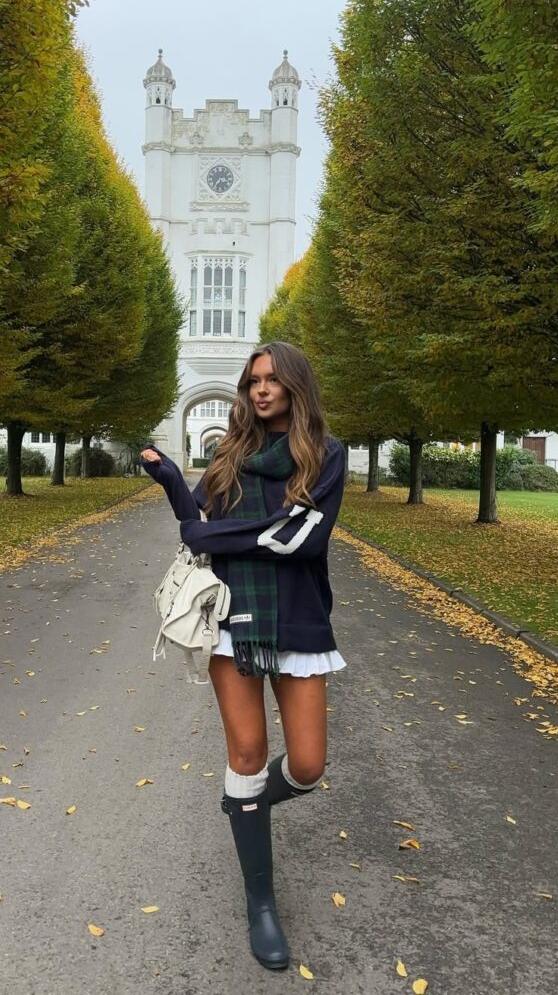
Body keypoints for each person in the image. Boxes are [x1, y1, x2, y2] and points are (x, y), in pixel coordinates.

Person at [140, 341, 346, 971]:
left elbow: (299, 538)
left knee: (307, 765)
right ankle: (261, 901)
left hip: (299, 617)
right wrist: (176, 483)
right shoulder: (230, 453)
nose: (261, 390)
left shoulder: (324, 456)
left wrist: (210, 533)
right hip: (234, 619)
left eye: (272, 380)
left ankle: (243, 805)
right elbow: (196, 523)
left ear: (294, 387)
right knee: (248, 755)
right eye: (253, 380)